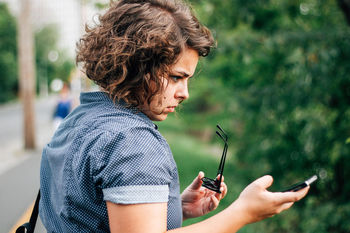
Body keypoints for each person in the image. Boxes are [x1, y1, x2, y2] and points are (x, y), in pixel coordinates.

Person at [39, 0, 309, 232]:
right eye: (176, 77)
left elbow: (91, 212)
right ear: (135, 65)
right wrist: (242, 213)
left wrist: (174, 206)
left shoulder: (79, 119)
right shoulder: (133, 142)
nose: (185, 94)